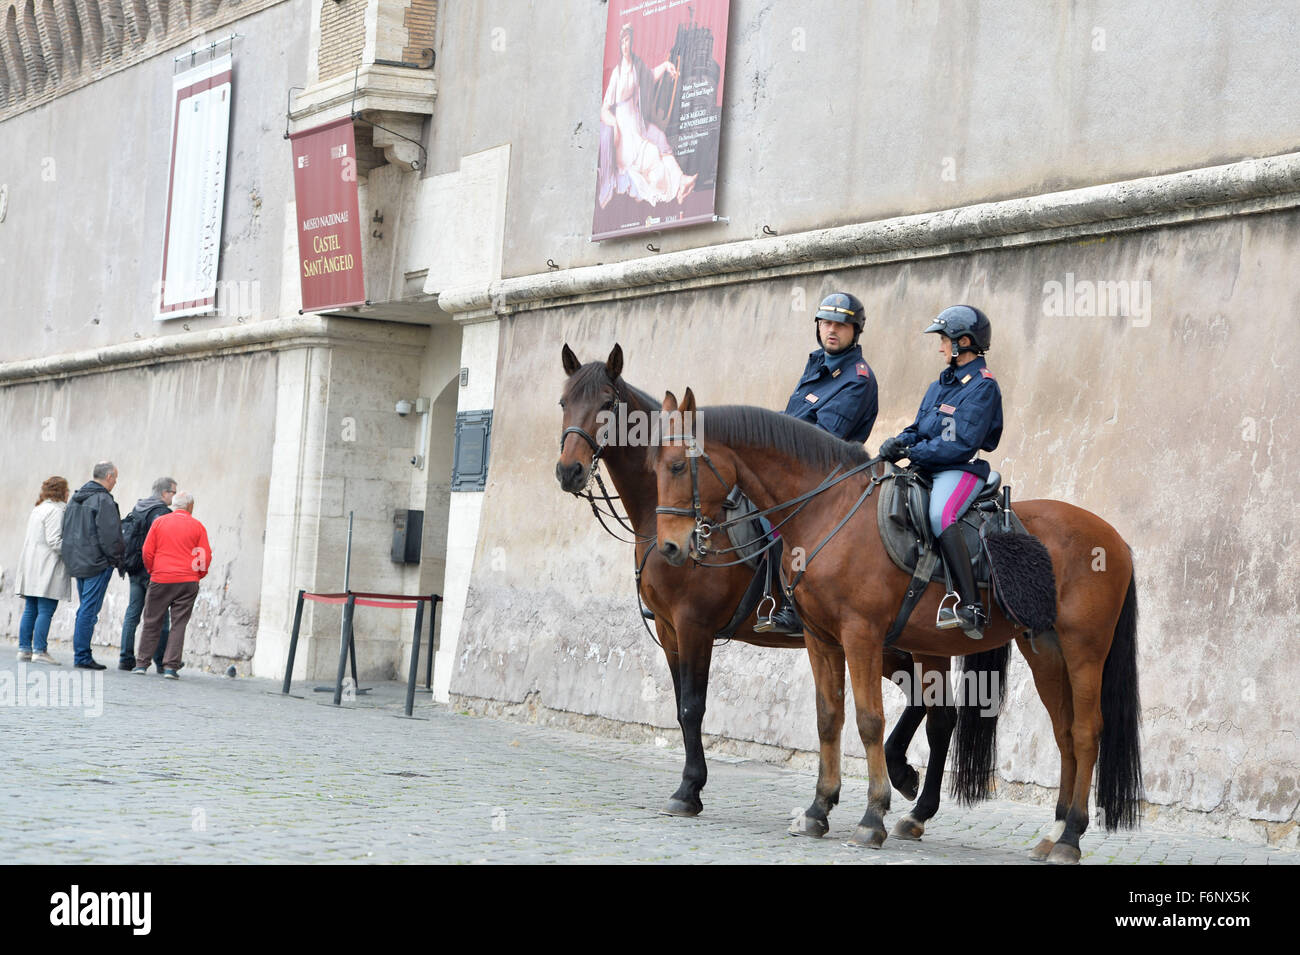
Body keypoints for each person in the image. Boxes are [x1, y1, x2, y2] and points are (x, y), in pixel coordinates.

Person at [756, 292, 880, 633]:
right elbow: (794, 416)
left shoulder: (857, 377)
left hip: (826, 473)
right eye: (826, 323)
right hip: (793, 465)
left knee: (774, 519)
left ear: (855, 331)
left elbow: (823, 438)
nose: (832, 331)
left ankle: (788, 601)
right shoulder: (817, 364)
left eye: (840, 325)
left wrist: (775, 435)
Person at [878, 305, 1003, 639]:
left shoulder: (983, 386)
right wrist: (898, 442)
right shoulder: (940, 385)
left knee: (940, 515)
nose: (940, 346)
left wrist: (912, 451)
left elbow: (962, 443)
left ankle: (971, 604)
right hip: (928, 464)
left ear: (963, 341)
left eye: (944, 340)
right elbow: (920, 427)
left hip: (959, 469)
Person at [598, 22, 698, 208]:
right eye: (623, 42)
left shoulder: (636, 67)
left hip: (638, 125)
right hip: (625, 132)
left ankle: (681, 182)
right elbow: (604, 110)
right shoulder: (617, 74)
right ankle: (675, 187)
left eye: (629, 41)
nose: (626, 46)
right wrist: (615, 126)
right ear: (620, 45)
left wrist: (666, 65)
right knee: (651, 155)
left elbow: (649, 77)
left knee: (657, 142)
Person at [134, 491, 211, 679]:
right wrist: (197, 575)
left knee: (152, 621)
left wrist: (153, 570)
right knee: (179, 624)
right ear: (190, 507)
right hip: (187, 581)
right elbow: (204, 555)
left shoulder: (160, 522)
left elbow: (147, 551)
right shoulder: (197, 526)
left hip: (161, 578)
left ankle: (142, 664)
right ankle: (170, 667)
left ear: (174, 505)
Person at [61, 461, 125, 670]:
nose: (115, 481)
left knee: (85, 609)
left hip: (78, 561)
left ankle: (82, 653)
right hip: (97, 563)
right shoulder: (103, 500)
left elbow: (66, 530)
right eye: (115, 477)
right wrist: (115, 558)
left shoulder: (75, 499)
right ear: (108, 477)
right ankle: (82, 656)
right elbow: (110, 535)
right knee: (89, 610)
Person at [118, 477, 177, 671]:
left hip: (134, 568)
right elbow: (163, 542)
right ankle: (161, 661)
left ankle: (125, 658)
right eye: (173, 492)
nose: (174, 497)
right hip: (152, 570)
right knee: (161, 617)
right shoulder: (161, 513)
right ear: (164, 493)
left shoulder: (139, 507)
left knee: (132, 614)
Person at [14, 476, 72, 665]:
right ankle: (40, 650)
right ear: (62, 491)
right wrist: (74, 552)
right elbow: (55, 540)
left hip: (32, 565)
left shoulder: (38, 508)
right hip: (48, 566)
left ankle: (24, 649)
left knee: (31, 608)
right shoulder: (56, 511)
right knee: (46, 609)